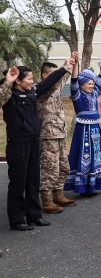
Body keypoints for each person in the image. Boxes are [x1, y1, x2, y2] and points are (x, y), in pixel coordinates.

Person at [1, 56, 74, 231]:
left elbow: (48, 83)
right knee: (18, 183)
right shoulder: (10, 95)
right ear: (18, 80)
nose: (32, 82)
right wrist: (8, 82)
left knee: (33, 181)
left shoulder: (32, 92)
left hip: (34, 142)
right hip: (18, 144)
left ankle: (34, 215)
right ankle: (17, 220)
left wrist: (65, 68)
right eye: (28, 79)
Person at [37, 58, 76, 213]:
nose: (58, 77)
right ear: (45, 76)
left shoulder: (56, 88)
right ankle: (46, 201)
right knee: (50, 170)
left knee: (64, 168)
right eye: (54, 75)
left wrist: (74, 62)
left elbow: (66, 75)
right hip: (48, 136)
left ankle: (58, 195)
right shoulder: (41, 90)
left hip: (60, 134)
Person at [65, 53, 101, 195]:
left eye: (92, 83)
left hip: (95, 128)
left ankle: (93, 184)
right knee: (84, 155)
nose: (92, 85)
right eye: (89, 83)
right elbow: (74, 79)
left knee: (96, 155)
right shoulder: (77, 94)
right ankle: (82, 185)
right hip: (83, 130)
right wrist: (76, 63)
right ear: (81, 85)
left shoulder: (94, 93)